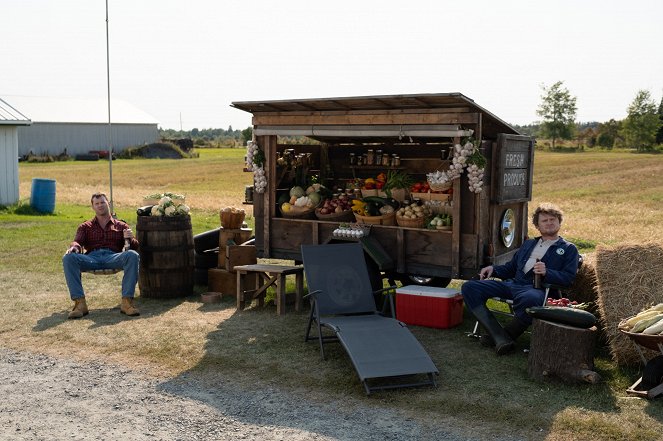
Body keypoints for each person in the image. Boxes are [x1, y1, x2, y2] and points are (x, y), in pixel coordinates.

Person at [461, 203, 579, 355]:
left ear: (559, 222)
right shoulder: (529, 244)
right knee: (470, 287)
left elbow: (569, 278)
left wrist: (547, 272)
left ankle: (504, 337)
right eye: (544, 220)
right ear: (537, 225)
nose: (549, 223)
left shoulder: (569, 248)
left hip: (537, 289)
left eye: (552, 219)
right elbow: (511, 268)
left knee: (531, 298)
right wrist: (494, 269)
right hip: (513, 285)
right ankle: (497, 334)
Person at [62, 193, 140, 319]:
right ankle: (80, 304)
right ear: (92, 207)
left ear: (108, 203)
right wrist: (74, 248)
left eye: (102, 202)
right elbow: (77, 241)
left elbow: (135, 246)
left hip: (113, 257)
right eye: (96, 204)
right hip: (91, 258)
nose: (100, 206)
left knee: (132, 255)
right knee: (68, 258)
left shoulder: (121, 226)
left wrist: (130, 238)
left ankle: (127, 303)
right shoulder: (85, 227)